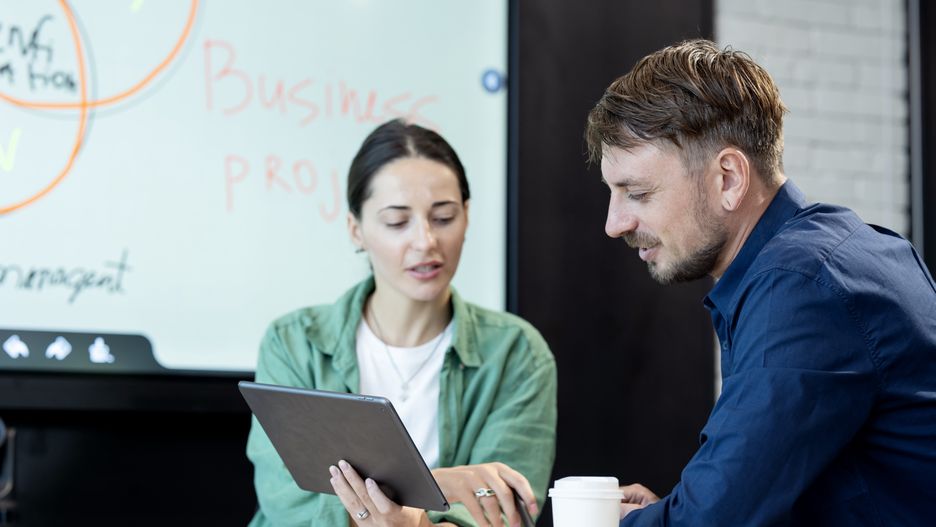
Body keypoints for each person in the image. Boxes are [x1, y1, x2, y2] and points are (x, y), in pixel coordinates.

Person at [584, 39, 936, 526]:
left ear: (728, 178)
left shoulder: (800, 289)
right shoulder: (840, 251)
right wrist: (667, 514)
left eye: (638, 193)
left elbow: (714, 520)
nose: (614, 223)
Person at [247, 119, 557, 527]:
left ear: (466, 216)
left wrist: (408, 520)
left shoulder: (516, 354)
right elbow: (287, 505)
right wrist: (440, 486)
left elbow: (501, 514)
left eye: (443, 217)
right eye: (397, 222)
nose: (426, 241)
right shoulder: (294, 344)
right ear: (356, 230)